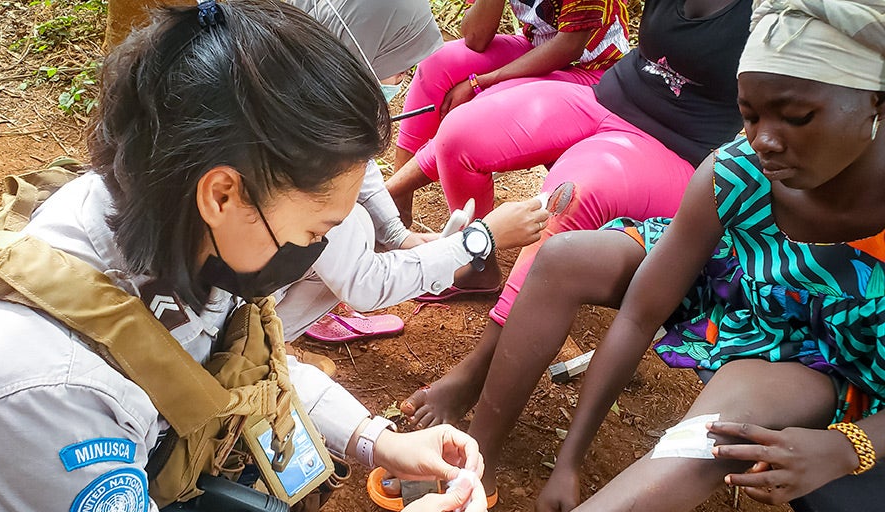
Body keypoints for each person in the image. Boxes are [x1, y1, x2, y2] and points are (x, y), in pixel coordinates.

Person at [0, 3, 489, 512]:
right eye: (312, 232)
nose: (316, 251)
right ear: (223, 193)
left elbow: (233, 361)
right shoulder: (45, 391)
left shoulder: (164, 219)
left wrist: (375, 441)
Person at [424, 1, 885, 512]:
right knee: (565, 259)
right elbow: (642, 311)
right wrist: (571, 459)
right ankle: (472, 459)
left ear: (876, 101)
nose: (765, 140)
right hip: (730, 285)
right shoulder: (739, 170)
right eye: (747, 115)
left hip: (826, 354)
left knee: (725, 429)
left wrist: (847, 447)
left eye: (797, 116)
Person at [401, 0, 754, 426]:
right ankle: (481, 266)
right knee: (461, 135)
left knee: (567, 201)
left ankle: (474, 376)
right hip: (606, 97)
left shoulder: (773, 13)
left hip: (678, 146)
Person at [271, 0, 551, 342]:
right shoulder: (306, 147)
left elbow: (354, 163)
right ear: (364, 51)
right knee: (354, 226)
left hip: (232, 284)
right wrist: (479, 240)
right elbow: (365, 284)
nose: (403, 77)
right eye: (397, 62)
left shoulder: (293, 91)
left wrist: (397, 234)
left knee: (356, 227)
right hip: (217, 318)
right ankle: (249, 354)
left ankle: (267, 337)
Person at [387, 0, 630, 228]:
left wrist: (481, 82)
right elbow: (475, 37)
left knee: (480, 111)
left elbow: (569, 47)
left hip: (594, 71)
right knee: (437, 64)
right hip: (537, 47)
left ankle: (475, 248)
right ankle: (396, 208)